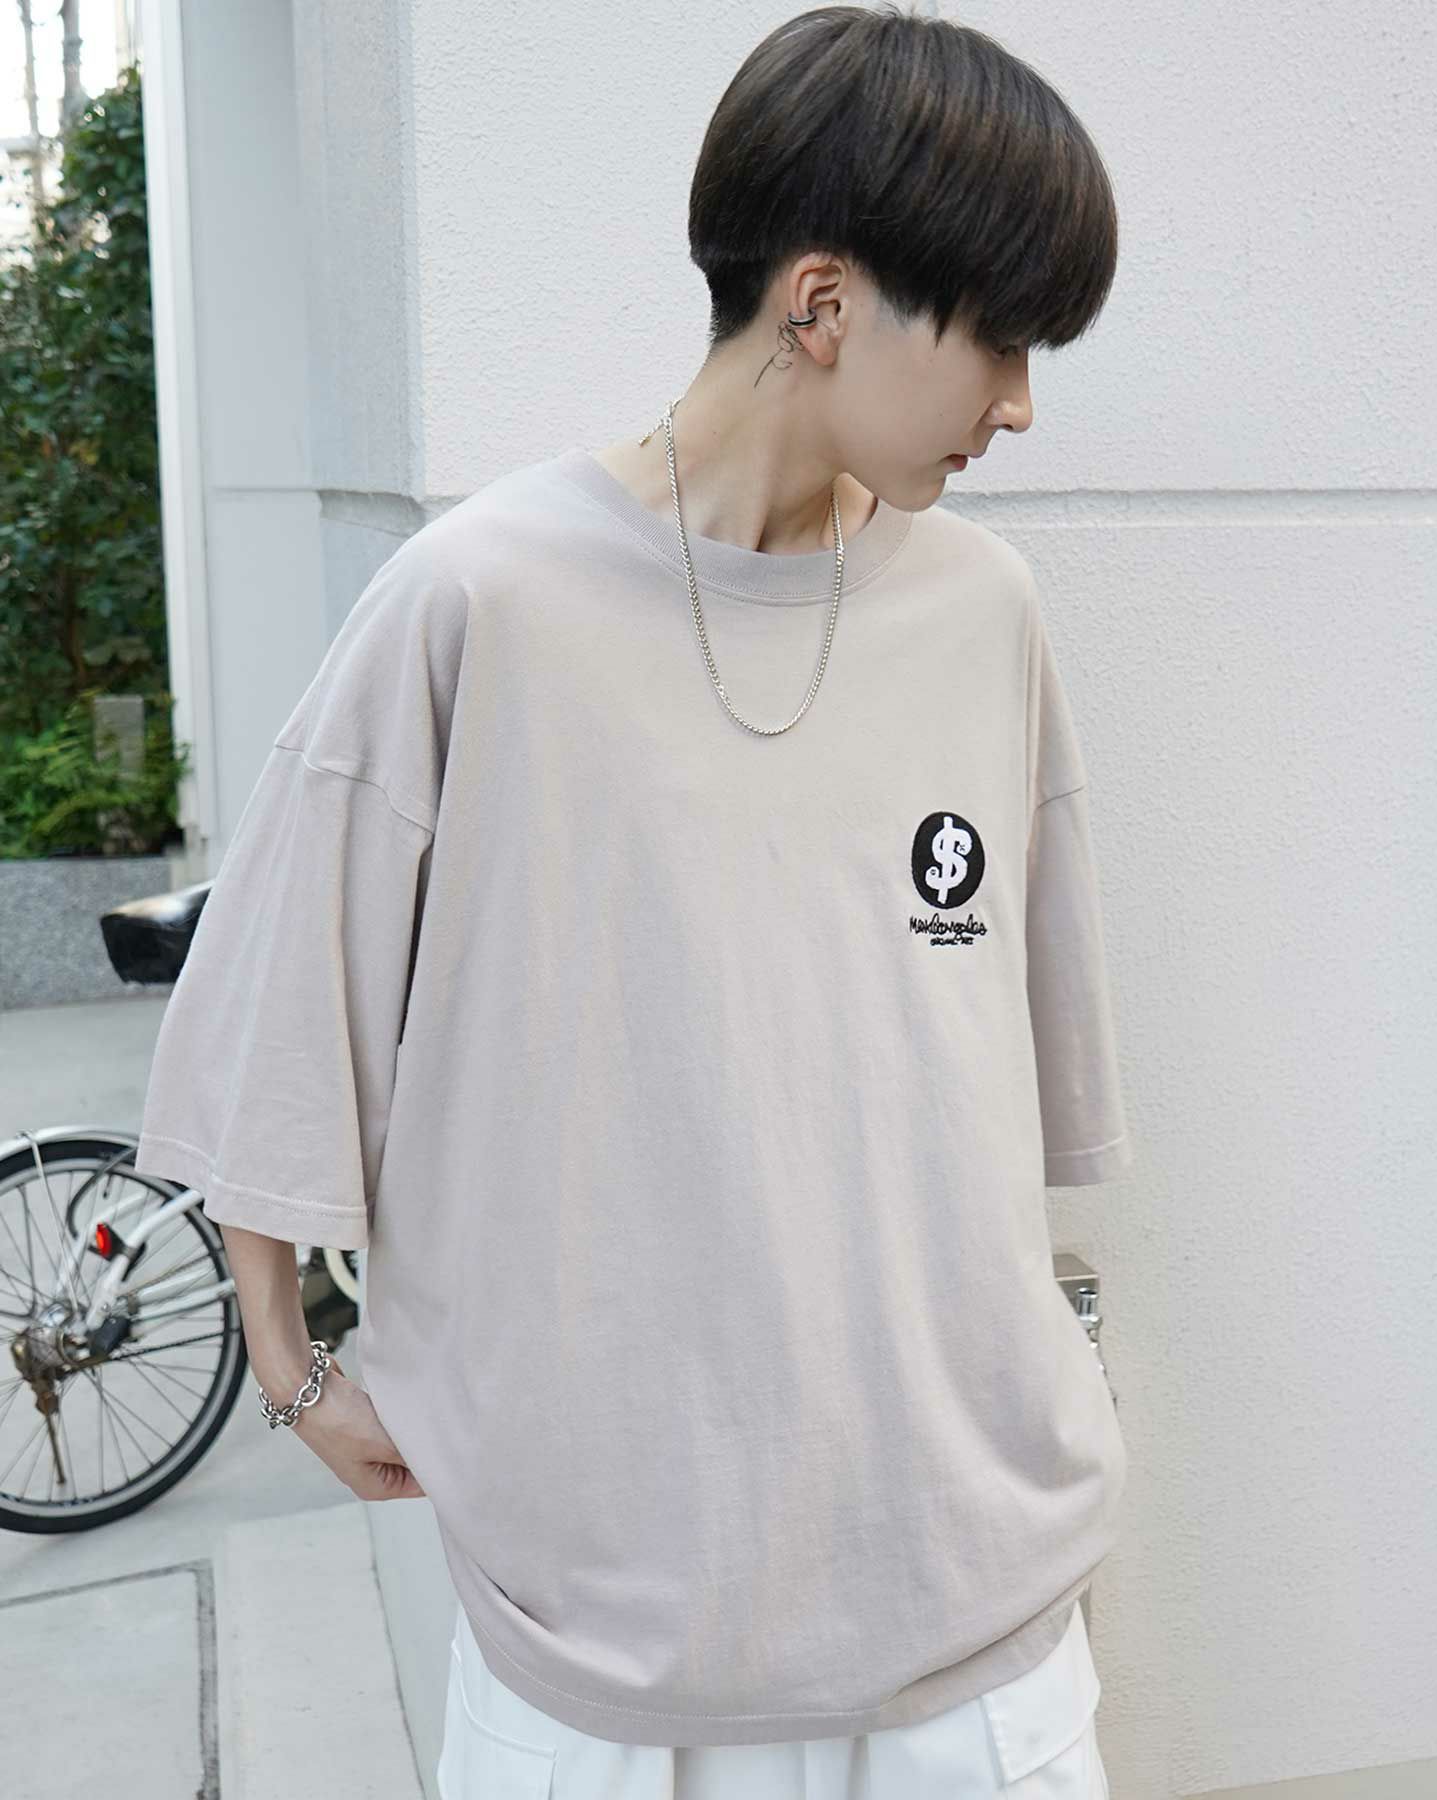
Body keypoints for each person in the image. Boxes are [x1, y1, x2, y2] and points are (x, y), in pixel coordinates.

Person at [133, 4, 1131, 1795]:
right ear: (822, 304)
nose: (1021, 402)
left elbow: (977, 1097)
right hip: (603, 1633)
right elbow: (272, 1019)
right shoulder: (481, 602)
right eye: (1001, 336)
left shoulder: (985, 613)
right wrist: (288, 1368)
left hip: (971, 1609)